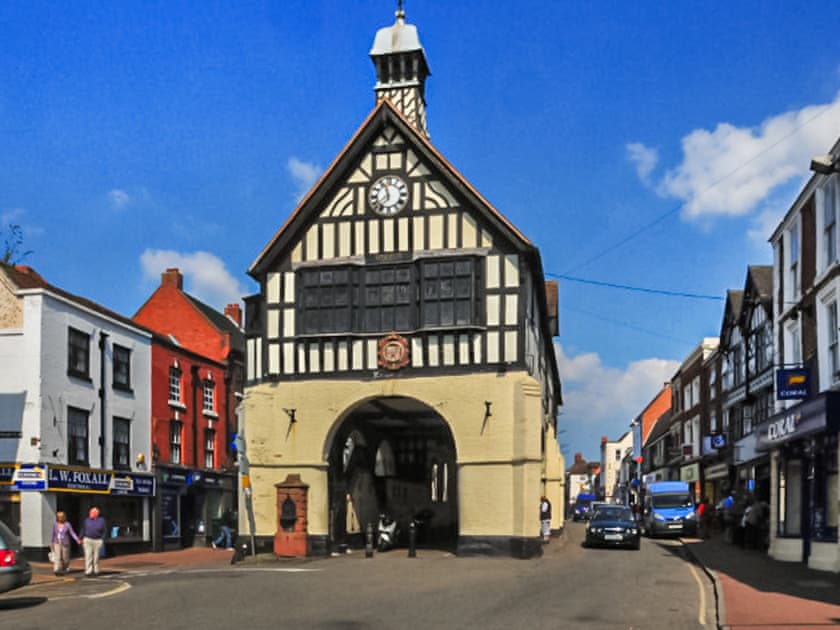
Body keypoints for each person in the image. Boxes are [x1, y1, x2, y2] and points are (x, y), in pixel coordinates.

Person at [51, 511, 80, 575]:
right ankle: (57, 569)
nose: (60, 518)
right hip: (57, 542)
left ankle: (65, 567)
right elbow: (53, 534)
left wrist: (77, 539)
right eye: (59, 517)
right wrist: (52, 543)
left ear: (64, 517)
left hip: (65, 542)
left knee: (65, 558)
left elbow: (72, 533)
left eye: (61, 517)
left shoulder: (67, 524)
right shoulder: (55, 525)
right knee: (57, 557)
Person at [80, 506, 106, 577]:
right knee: (88, 556)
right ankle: (88, 571)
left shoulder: (101, 520)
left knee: (96, 557)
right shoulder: (86, 520)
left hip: (97, 540)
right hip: (87, 540)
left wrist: (102, 539)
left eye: (92, 512)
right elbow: (83, 529)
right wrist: (80, 538)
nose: (90, 513)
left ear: (96, 513)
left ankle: (96, 570)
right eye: (90, 512)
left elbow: (104, 531)